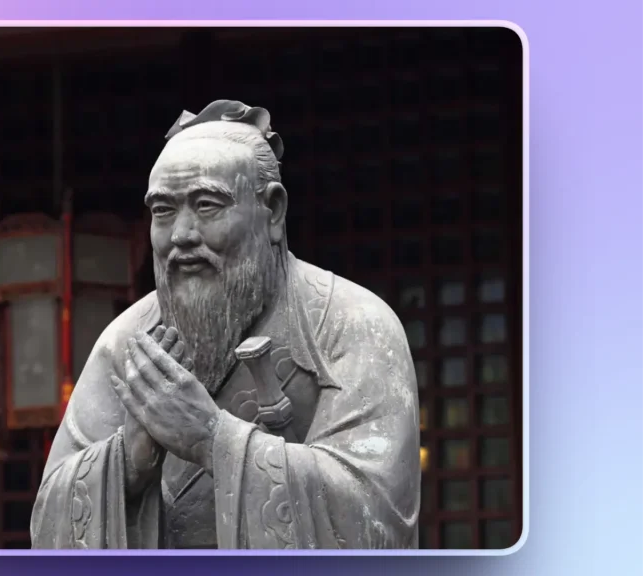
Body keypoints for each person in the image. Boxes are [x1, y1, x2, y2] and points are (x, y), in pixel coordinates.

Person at [31, 100, 420, 549]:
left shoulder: (353, 324)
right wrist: (126, 463)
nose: (181, 234)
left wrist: (214, 439)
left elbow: (374, 517)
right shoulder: (127, 343)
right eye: (163, 211)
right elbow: (48, 525)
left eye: (207, 205)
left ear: (272, 211)